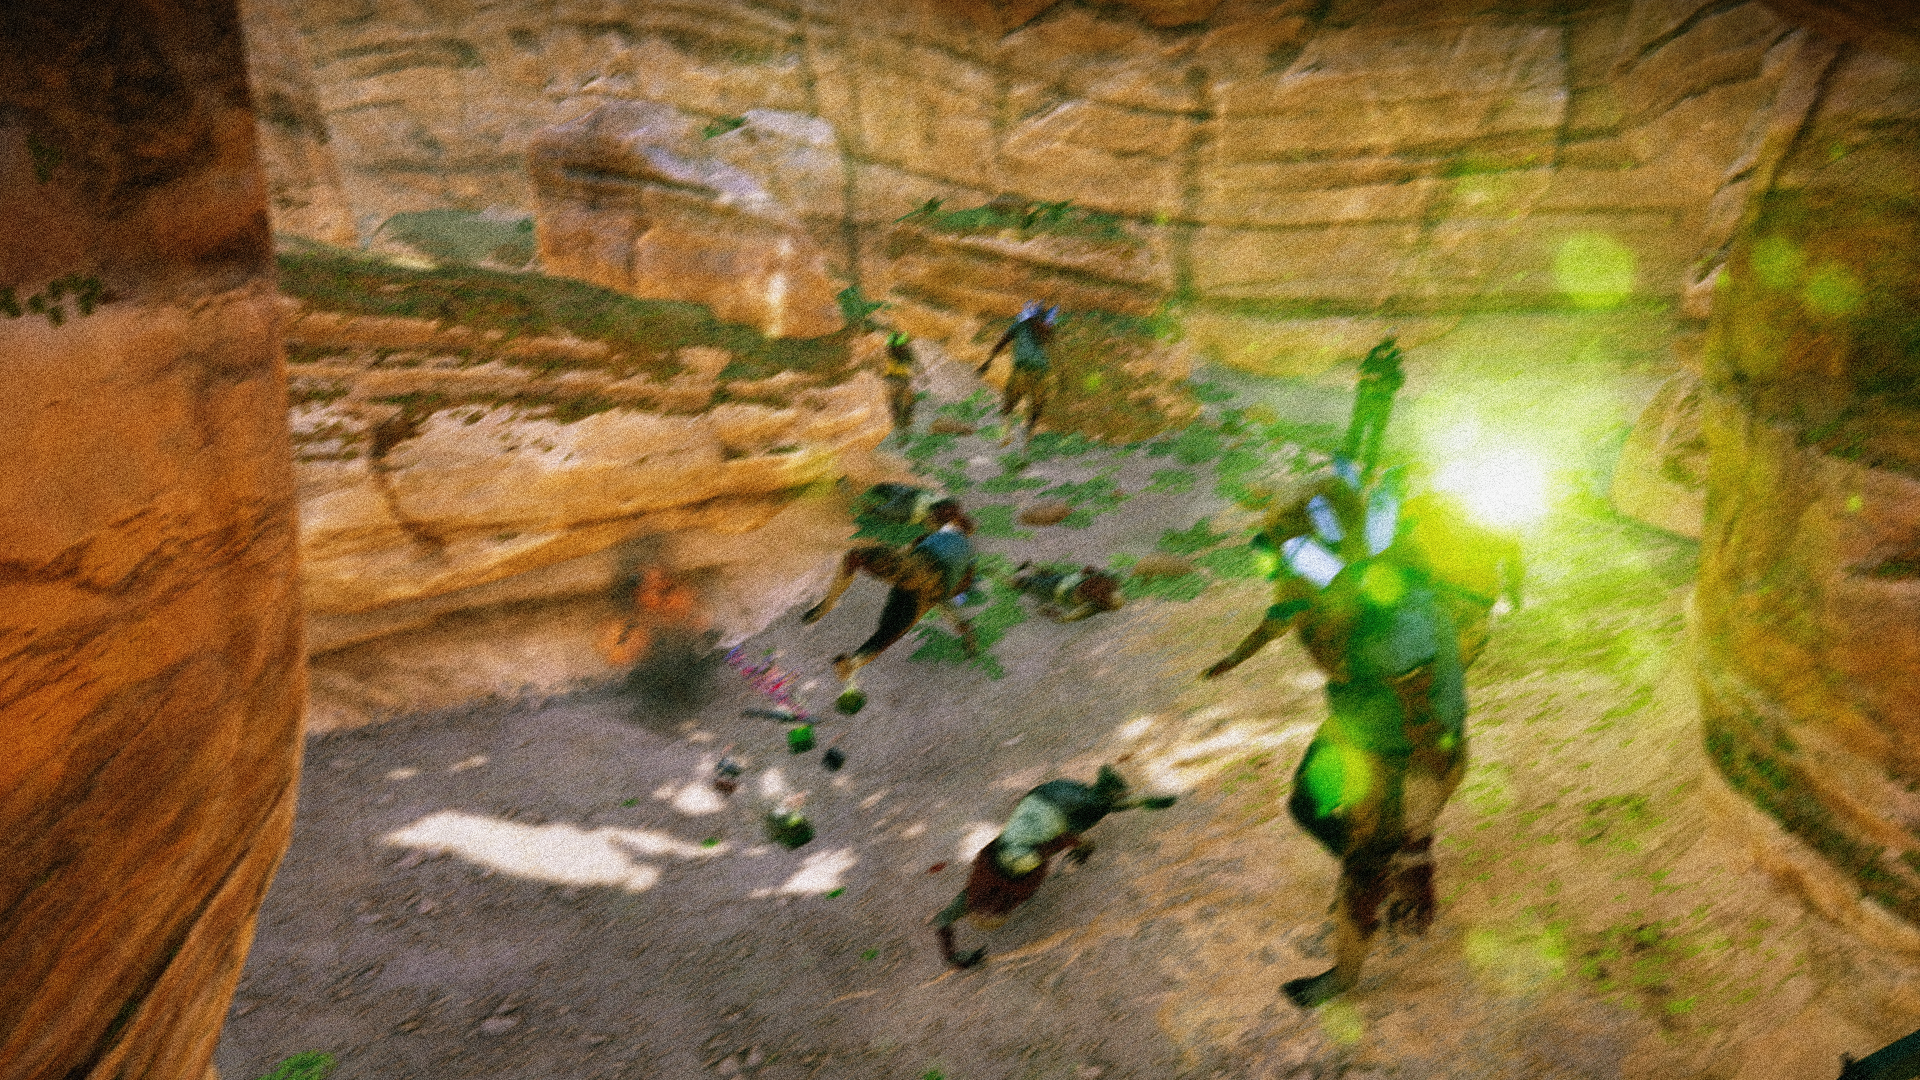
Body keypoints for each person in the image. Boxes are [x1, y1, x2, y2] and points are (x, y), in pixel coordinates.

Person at [934, 765, 1175, 968]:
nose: (1007, 909)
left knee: (1098, 804)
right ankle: (1120, 797)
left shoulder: (1019, 865)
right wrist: (953, 958)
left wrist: (1085, 847)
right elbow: (942, 921)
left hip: (1053, 800)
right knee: (1096, 812)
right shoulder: (978, 889)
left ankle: (1106, 783)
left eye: (1002, 911)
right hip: (1045, 808)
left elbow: (1062, 841)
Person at [979, 301, 1058, 447]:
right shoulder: (1032, 326)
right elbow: (1003, 341)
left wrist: (989, 360)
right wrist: (988, 361)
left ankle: (1014, 435)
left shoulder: (1028, 325)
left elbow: (1002, 341)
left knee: (1016, 403)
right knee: (1032, 404)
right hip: (1036, 370)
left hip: (1027, 369)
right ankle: (1020, 435)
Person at [884, 332, 918, 430]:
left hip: (891, 378)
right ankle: (905, 420)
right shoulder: (905, 352)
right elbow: (912, 361)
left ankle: (899, 421)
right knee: (907, 399)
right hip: (901, 378)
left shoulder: (890, 349)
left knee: (894, 401)